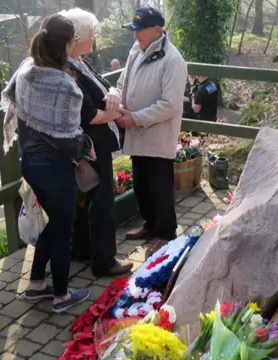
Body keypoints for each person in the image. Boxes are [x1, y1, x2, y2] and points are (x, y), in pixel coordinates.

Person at [1, 14, 92, 313]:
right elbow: (68, 137)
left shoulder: (26, 69)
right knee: (62, 228)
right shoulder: (64, 85)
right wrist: (86, 146)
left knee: (52, 225)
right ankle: (62, 296)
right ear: (67, 44)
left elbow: (13, 100)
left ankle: (37, 283)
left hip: (29, 162)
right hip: (54, 168)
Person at [59, 7, 133, 277]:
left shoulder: (79, 61)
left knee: (89, 198)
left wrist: (113, 92)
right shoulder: (67, 69)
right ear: (77, 37)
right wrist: (116, 112)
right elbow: (87, 114)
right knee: (101, 201)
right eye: (92, 33)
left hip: (92, 143)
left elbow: (103, 83)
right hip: (91, 145)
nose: (95, 38)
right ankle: (104, 260)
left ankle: (84, 249)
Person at [111, 6, 187, 253]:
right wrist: (115, 97)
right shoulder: (136, 50)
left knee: (160, 186)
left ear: (158, 30)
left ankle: (166, 233)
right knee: (142, 185)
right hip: (136, 131)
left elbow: (170, 105)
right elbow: (123, 82)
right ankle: (150, 224)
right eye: (134, 30)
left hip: (156, 135)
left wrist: (135, 118)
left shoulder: (173, 60)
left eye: (140, 30)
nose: (135, 36)